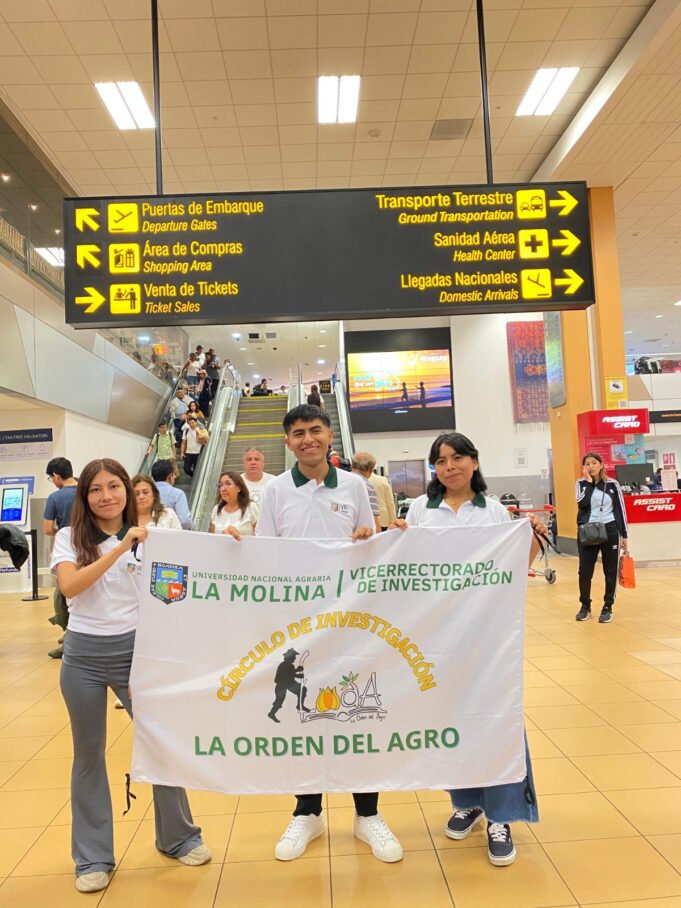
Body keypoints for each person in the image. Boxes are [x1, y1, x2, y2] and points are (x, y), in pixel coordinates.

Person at [50, 458, 210, 893]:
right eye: (97, 489)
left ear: (128, 489)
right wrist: (121, 547)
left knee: (161, 743)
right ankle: (92, 856)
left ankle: (178, 837)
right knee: (88, 754)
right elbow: (70, 587)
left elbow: (196, 579)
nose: (107, 496)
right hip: (82, 655)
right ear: (85, 496)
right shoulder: (70, 537)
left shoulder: (157, 537)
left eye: (114, 487)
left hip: (139, 653)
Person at [255, 404, 402, 864]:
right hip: (299, 630)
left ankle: (367, 813)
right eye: (298, 433)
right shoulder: (277, 492)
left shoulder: (356, 485)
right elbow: (265, 555)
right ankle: (307, 812)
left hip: (352, 623)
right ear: (288, 442)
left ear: (328, 436)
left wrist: (373, 533)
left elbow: (372, 542)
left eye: (315, 430)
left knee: (359, 714)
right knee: (303, 719)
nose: (307, 439)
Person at [390, 431, 544, 867]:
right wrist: (394, 537)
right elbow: (402, 569)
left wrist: (530, 537)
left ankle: (502, 815)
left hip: (487, 639)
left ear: (474, 462)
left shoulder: (494, 512)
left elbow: (515, 568)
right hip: (436, 640)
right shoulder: (421, 510)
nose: (449, 467)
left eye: (458, 458)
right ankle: (469, 801)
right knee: (450, 721)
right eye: (440, 461)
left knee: (497, 720)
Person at [576, 452, 628, 624]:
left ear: (601, 464)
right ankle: (585, 606)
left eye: (593, 463)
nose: (590, 466)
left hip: (610, 530)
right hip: (588, 531)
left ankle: (608, 607)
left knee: (610, 571)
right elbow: (582, 504)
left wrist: (624, 535)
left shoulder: (613, 484)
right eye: (587, 464)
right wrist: (589, 484)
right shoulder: (581, 484)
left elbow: (620, 510)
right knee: (585, 571)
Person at [43, 457, 78, 659]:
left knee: (62, 595)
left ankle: (69, 637)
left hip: (67, 552)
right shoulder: (87, 490)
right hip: (92, 547)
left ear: (56, 476)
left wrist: (64, 532)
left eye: (51, 478)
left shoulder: (55, 497)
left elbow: (48, 529)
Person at [354, 452, 397, 531]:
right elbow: (390, 502)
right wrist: (393, 520)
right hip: (380, 520)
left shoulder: (343, 482)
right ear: (371, 469)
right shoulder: (380, 481)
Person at [151, 460, 192, 529]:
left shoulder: (148, 494)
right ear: (170, 476)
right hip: (173, 535)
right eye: (173, 474)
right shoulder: (178, 494)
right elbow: (184, 521)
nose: (175, 476)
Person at [351, 456, 381, 534]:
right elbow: (373, 516)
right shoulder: (367, 486)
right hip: (361, 534)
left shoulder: (341, 481)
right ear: (371, 469)